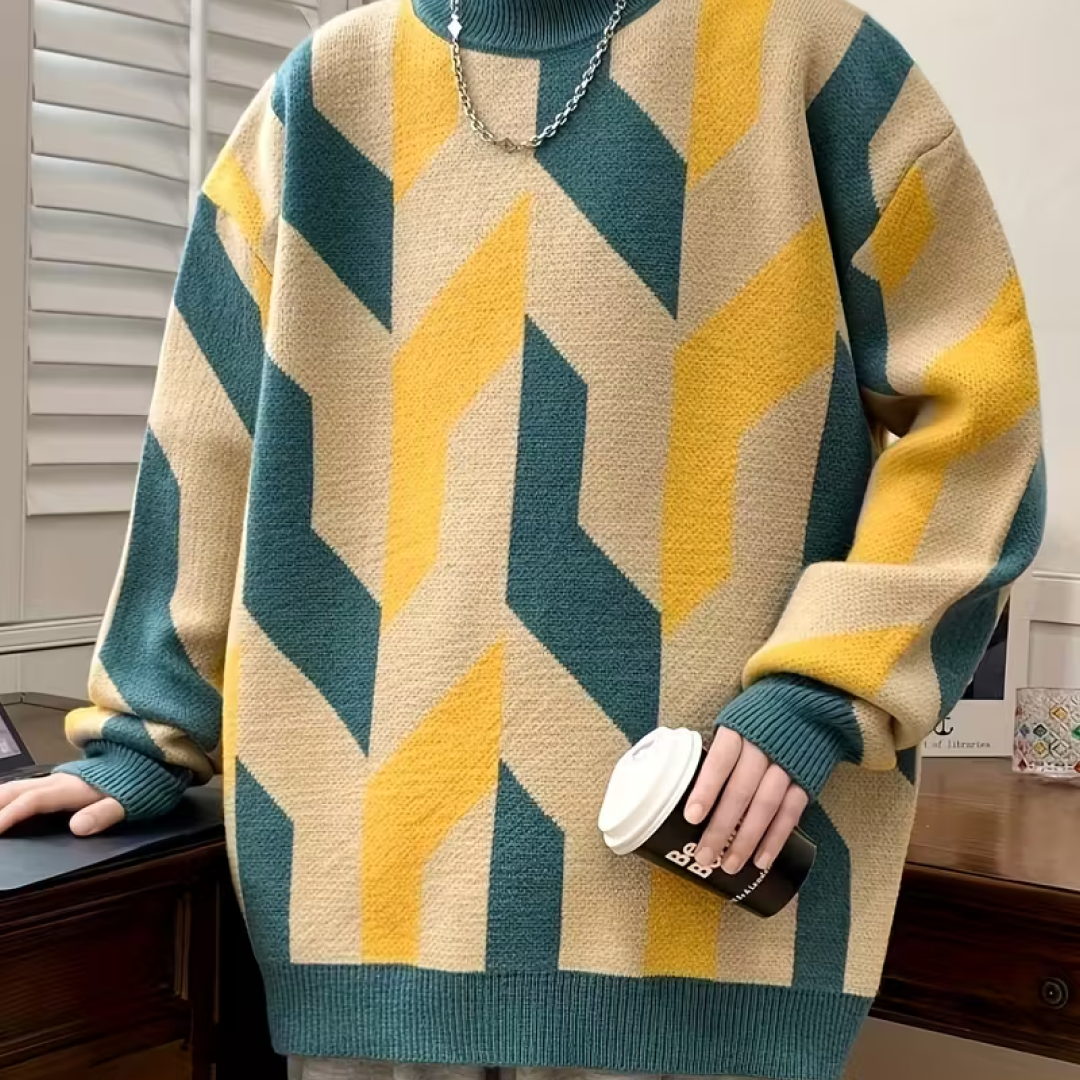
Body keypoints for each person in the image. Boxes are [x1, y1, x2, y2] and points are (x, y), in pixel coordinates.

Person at [0, 0, 1044, 1077]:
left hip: (700, 896)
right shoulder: (319, 96)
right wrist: (141, 737)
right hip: (366, 909)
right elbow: (206, 445)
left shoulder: (814, 59)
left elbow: (981, 423)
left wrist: (821, 690)